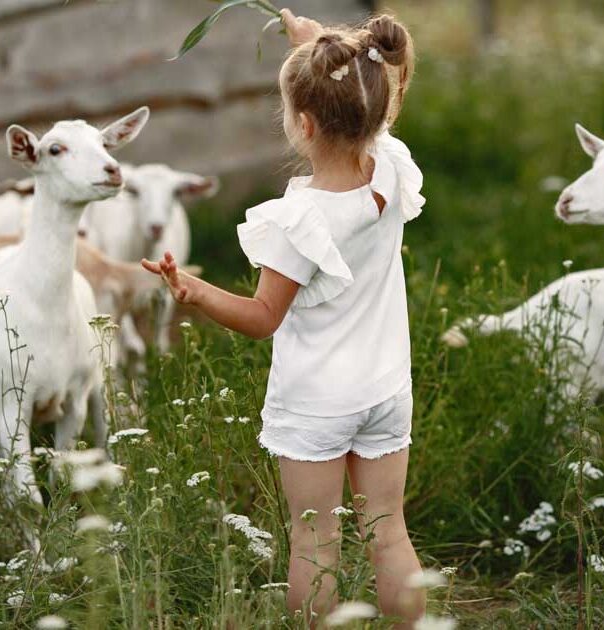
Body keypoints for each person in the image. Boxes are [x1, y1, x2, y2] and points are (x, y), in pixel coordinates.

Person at [141, 8, 425, 625]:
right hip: (385, 389)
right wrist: (321, 46)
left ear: (301, 124)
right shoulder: (392, 167)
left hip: (318, 402)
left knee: (315, 545)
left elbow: (262, 316)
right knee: (390, 534)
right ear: (380, 109)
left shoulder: (302, 222)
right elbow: (378, 98)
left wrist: (193, 290)